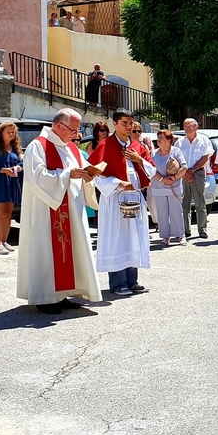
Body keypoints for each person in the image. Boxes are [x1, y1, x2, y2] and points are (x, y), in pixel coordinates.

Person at [16, 108, 102, 313]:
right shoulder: (38, 146)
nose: (76, 134)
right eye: (73, 129)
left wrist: (88, 175)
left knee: (69, 251)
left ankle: (62, 293)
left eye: (77, 129)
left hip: (72, 210)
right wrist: (67, 175)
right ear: (58, 126)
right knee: (47, 250)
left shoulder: (71, 148)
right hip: (46, 210)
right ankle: (45, 298)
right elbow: (36, 177)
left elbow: (78, 171)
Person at [89, 108, 154, 297]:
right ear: (114, 124)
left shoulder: (137, 146)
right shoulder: (105, 145)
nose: (128, 126)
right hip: (115, 199)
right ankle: (118, 283)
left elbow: (152, 171)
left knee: (133, 239)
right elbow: (96, 174)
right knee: (117, 240)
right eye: (124, 123)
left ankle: (132, 281)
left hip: (134, 198)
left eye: (131, 123)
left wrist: (139, 159)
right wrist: (118, 183)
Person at [176, 118, 213, 239]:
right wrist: (186, 172)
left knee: (200, 202)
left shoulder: (204, 140)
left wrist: (192, 170)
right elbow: (175, 159)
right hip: (183, 173)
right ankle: (186, 230)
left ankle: (202, 229)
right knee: (184, 203)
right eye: (185, 126)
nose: (188, 129)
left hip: (198, 173)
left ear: (196, 127)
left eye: (190, 126)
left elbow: (205, 158)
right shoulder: (180, 142)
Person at [150, 129, 189, 247]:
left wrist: (174, 178)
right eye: (158, 138)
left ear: (169, 140)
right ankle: (165, 236)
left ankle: (181, 235)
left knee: (176, 211)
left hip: (174, 186)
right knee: (162, 212)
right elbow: (150, 170)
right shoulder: (153, 153)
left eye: (161, 138)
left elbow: (184, 167)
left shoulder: (176, 151)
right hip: (158, 186)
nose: (158, 140)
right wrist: (162, 179)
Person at [0, 122, 22, 255]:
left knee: (8, 214)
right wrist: (4, 170)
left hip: (12, 183)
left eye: (13, 132)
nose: (11, 134)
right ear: (1, 132)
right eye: (8, 132)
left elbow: (20, 162)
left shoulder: (15, 147)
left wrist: (18, 167)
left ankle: (4, 240)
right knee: (0, 214)